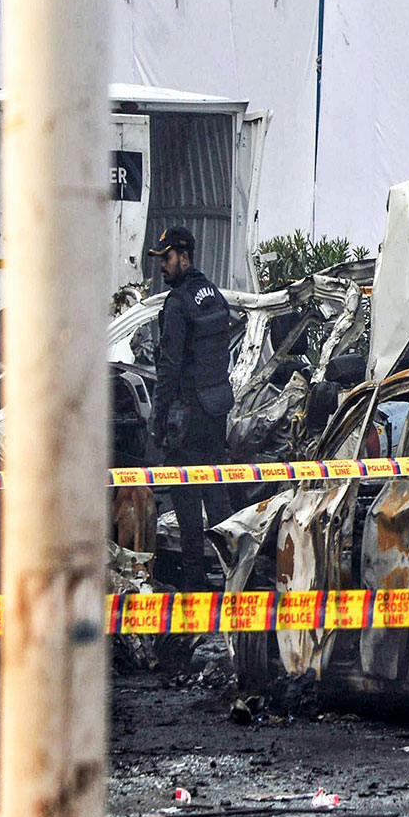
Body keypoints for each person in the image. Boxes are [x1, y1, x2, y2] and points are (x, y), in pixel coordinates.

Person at [149, 226, 235, 589]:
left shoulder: (178, 303)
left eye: (167, 258)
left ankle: (196, 587)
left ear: (185, 257)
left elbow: (169, 367)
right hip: (215, 412)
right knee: (218, 502)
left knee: (186, 506)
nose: (163, 267)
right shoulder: (213, 296)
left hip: (185, 420)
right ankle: (235, 575)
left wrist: (158, 416)